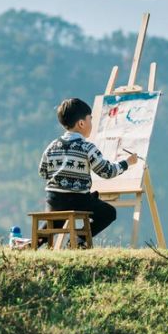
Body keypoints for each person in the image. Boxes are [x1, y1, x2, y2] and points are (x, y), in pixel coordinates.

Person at [38, 98, 138, 245]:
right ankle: (78, 241)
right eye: (90, 119)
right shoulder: (87, 148)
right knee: (109, 213)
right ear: (81, 123)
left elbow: (43, 172)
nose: (92, 123)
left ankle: (34, 241)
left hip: (54, 201)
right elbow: (107, 172)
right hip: (78, 200)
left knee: (59, 215)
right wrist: (127, 163)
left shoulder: (52, 146)